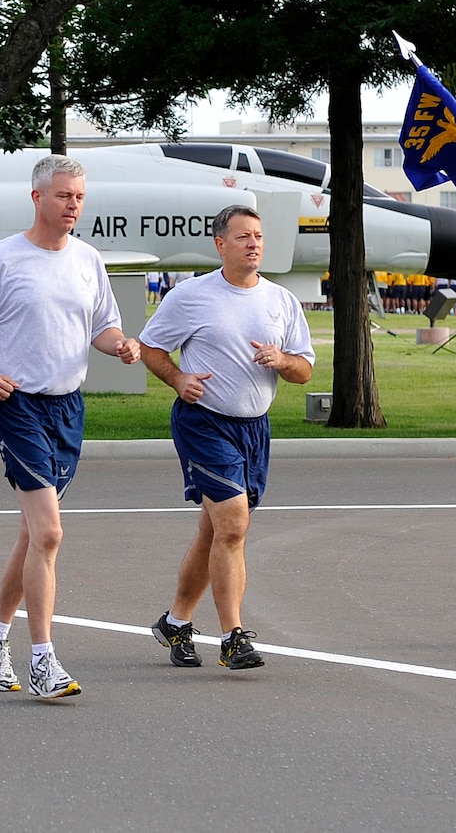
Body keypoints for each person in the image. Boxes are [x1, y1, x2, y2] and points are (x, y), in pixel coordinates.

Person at [0, 155, 141, 698]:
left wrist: (120, 344)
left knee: (34, 534)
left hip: (66, 408)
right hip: (17, 406)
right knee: (50, 532)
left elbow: (102, 325)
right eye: (63, 196)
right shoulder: (1, 260)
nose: (73, 205)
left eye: (79, 196)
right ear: (37, 198)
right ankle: (43, 661)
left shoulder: (87, 259)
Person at [141, 204, 314, 671]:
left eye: (258, 236)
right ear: (220, 245)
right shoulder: (191, 296)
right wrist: (178, 379)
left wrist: (283, 361)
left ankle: (175, 622)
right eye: (242, 237)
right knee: (234, 524)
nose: (254, 243)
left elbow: (305, 368)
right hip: (204, 421)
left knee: (215, 530)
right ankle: (233, 636)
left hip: (254, 428)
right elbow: (150, 348)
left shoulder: (281, 300)